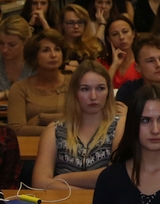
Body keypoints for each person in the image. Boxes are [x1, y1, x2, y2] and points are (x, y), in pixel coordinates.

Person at [34, 63, 122, 191]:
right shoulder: (54, 130)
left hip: (107, 203)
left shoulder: (120, 125)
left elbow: (116, 176)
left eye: (100, 88)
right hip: (64, 202)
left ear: (109, 92)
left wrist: (64, 178)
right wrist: (85, 195)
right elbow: (39, 182)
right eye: (85, 89)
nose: (93, 96)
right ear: (74, 92)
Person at [103, 16, 141, 90]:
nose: (121, 37)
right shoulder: (101, 63)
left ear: (133, 34)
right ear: (108, 39)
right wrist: (114, 65)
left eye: (125, 32)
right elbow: (102, 88)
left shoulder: (142, 61)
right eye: (115, 34)